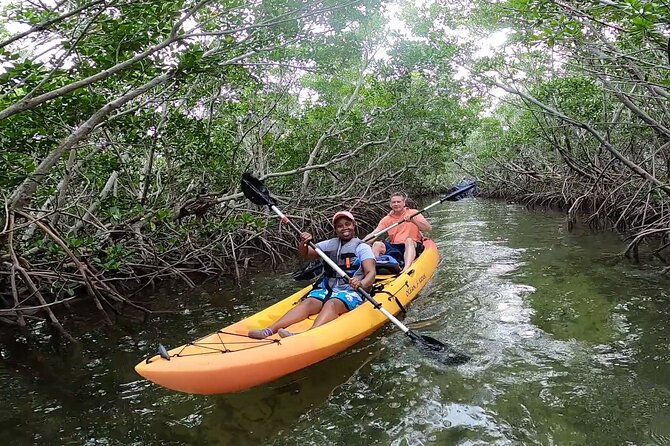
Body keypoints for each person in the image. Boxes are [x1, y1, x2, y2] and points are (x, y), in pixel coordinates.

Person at [248, 211, 376, 339]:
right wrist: (303, 242)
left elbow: (371, 273)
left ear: (354, 225)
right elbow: (306, 254)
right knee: (308, 302)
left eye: (347, 224)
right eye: (340, 226)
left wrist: (361, 283)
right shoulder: (329, 244)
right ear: (336, 229)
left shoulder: (363, 247)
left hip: (351, 291)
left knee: (331, 303)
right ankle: (268, 331)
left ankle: (307, 335)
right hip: (328, 289)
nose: (344, 228)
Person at [367, 192, 432, 273]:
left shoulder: (413, 213)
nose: (396, 204)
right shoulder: (387, 219)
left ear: (404, 203)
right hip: (395, 246)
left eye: (398, 202)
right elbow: (374, 233)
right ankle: (372, 269)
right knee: (377, 244)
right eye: (393, 202)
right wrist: (360, 242)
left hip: (412, 245)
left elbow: (428, 228)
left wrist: (413, 221)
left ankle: (406, 269)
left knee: (408, 240)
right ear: (390, 204)